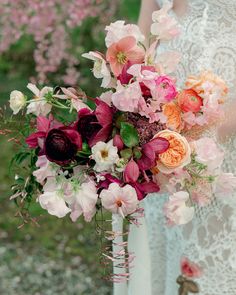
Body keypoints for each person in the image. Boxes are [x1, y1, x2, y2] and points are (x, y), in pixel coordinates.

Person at [125, 0, 236, 294]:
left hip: (225, 129)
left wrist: (213, 129)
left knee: (213, 257)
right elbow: (143, 36)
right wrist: (132, 104)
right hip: (159, 131)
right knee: (169, 249)